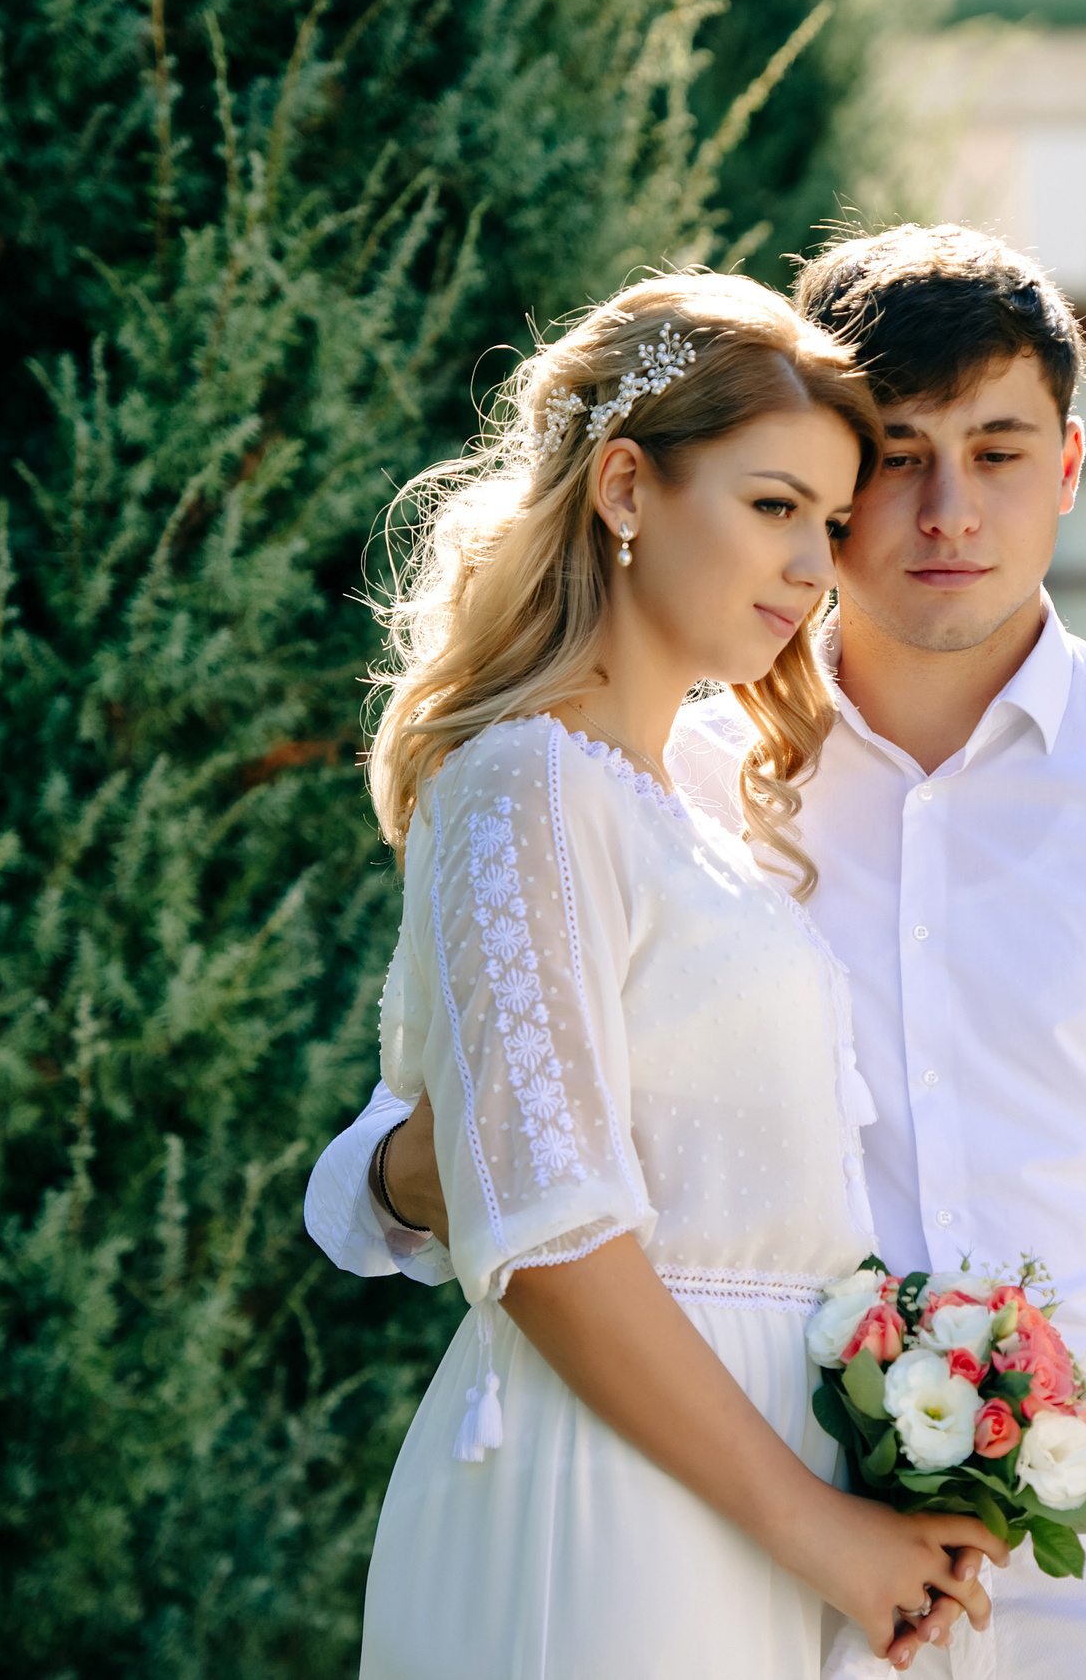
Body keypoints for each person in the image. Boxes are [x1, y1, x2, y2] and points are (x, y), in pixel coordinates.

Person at [311, 225, 1086, 1680]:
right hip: (796, 1572)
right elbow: (430, 1166)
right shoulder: (679, 779)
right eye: (897, 458)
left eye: (998, 449)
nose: (947, 509)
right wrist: (440, 1166)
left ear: (1073, 465)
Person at [348, 268, 1010, 1680]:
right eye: (774, 507)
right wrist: (816, 1531)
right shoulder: (525, 784)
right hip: (619, 1495)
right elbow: (551, 1236)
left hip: (755, 1487)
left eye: (831, 525)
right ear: (630, 488)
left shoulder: (691, 816)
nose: (816, 567)